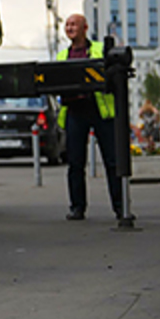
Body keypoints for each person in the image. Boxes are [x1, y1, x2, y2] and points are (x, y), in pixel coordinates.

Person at [56, 14, 122, 221]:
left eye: (73, 24)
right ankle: (77, 207)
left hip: (99, 109)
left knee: (112, 162)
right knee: (75, 163)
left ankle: (120, 208)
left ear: (85, 27)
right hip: (75, 111)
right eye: (67, 25)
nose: (69, 27)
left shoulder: (100, 49)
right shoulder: (61, 56)